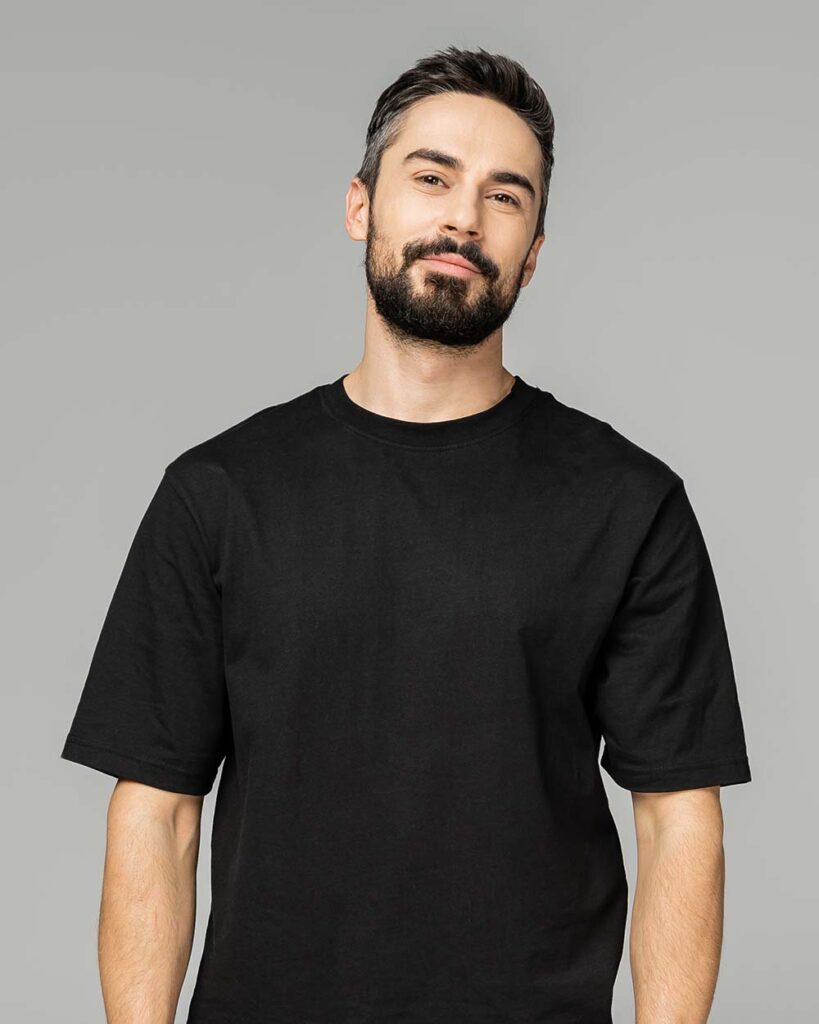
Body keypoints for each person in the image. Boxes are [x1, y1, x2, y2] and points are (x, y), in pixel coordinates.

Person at [61, 45, 752, 1024]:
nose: (463, 217)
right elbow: (157, 809)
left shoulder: (626, 504)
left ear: (534, 252)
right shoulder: (218, 493)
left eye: (504, 196)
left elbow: (679, 818)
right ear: (361, 207)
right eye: (432, 178)